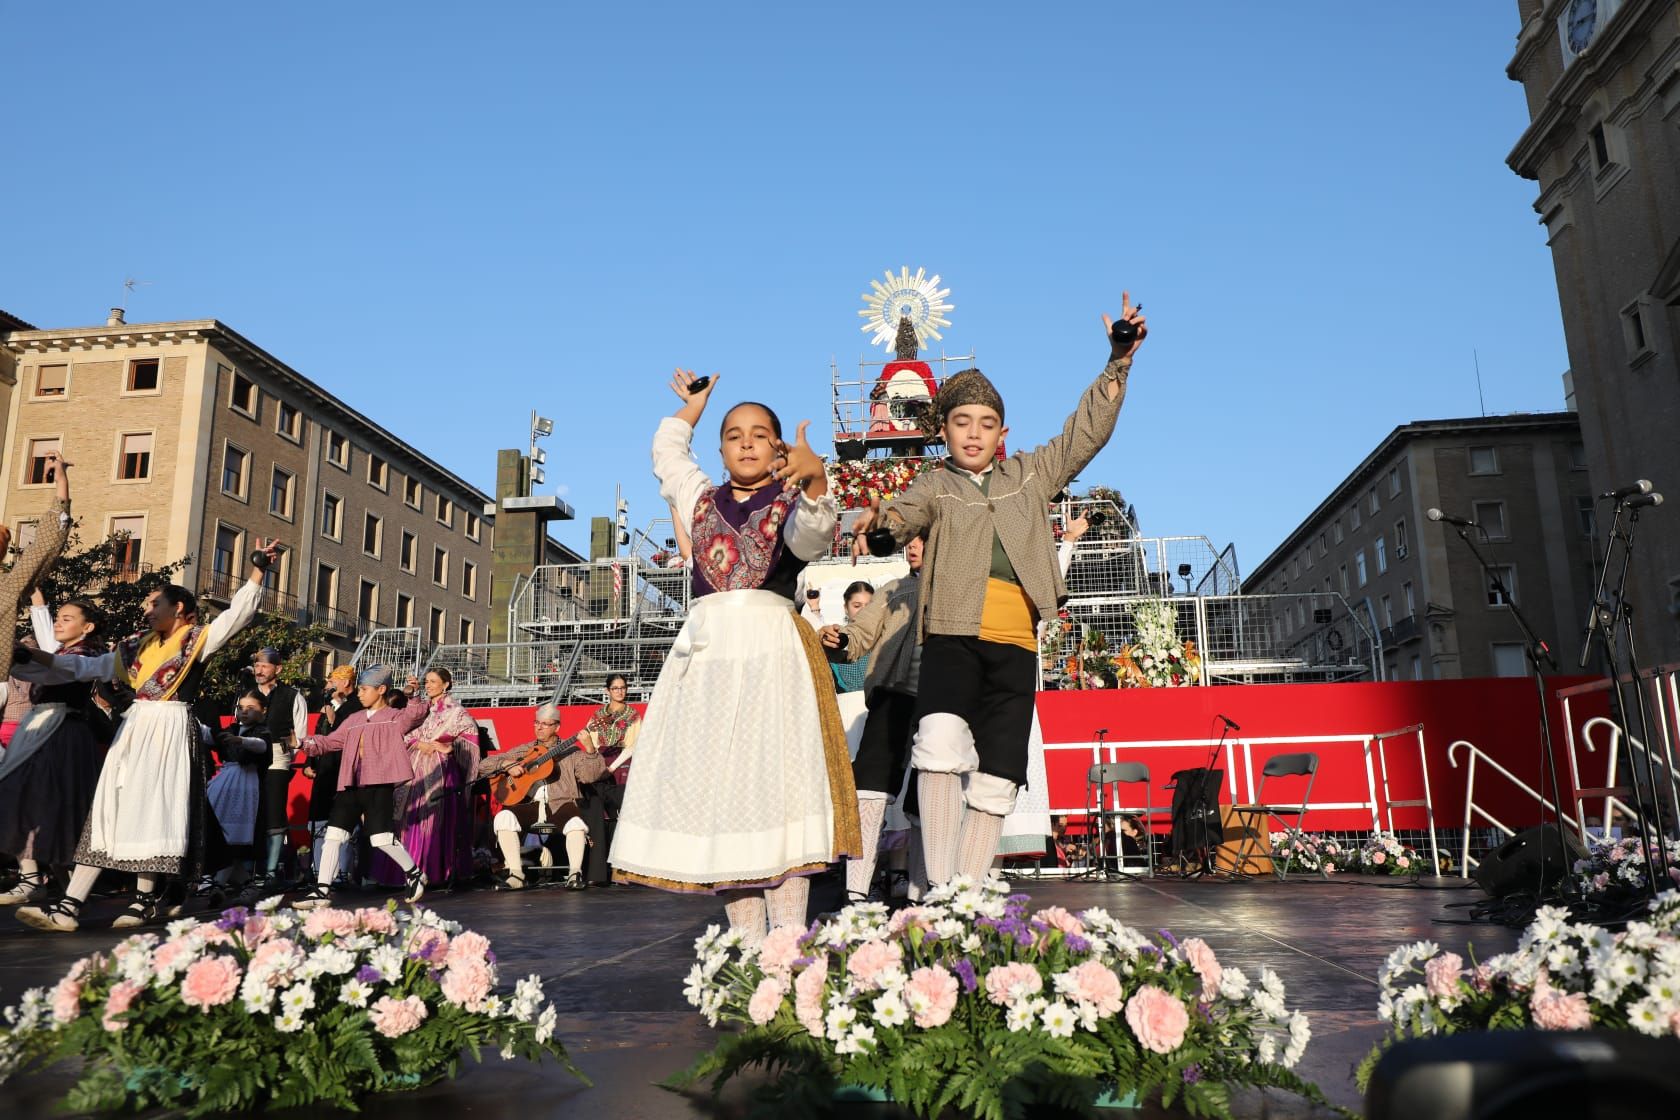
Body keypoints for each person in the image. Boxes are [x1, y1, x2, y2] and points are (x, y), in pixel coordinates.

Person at [852, 295, 1147, 888]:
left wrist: (1118, 361)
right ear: (944, 430)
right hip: (952, 639)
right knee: (936, 744)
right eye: (962, 422)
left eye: (986, 424)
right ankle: (938, 888)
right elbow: (902, 513)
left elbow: (1084, 434)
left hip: (1015, 642)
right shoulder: (937, 484)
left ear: (1002, 432)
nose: (974, 433)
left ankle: (965, 889)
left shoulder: (1030, 475)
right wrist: (879, 522)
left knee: (998, 775)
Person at [610, 370, 860, 942]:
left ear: (779, 445)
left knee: (782, 792)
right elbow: (667, 452)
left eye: (760, 433)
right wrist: (694, 408)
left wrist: (815, 478)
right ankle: (750, 951)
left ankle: (789, 942)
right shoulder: (701, 497)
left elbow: (812, 536)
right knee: (725, 799)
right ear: (720, 448)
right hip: (710, 663)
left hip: (773, 655)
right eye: (733, 434)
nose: (746, 442)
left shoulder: (792, 502)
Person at [14, 538, 280, 933]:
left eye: (154, 603)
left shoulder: (196, 639)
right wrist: (25, 656)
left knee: (153, 812)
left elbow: (237, 615)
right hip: (136, 727)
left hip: (169, 728)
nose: (146, 608)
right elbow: (80, 669)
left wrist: (258, 570)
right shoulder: (137, 646)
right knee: (110, 808)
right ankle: (69, 907)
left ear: (179, 609)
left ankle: (143, 900)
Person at [821, 538, 925, 902]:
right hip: (892, 698)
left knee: (926, 799)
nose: (913, 547)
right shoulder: (892, 590)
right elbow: (860, 632)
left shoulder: (959, 590)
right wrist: (840, 639)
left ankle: (920, 892)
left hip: (942, 701)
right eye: (909, 541)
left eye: (922, 539)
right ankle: (856, 893)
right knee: (868, 793)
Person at [0, 596, 108, 906]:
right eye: (58, 617)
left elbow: (54, 669)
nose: (59, 622)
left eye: (67, 618)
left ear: (87, 627)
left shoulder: (87, 654)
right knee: (30, 800)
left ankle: (44, 884)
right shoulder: (61, 650)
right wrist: (33, 592)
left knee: (40, 801)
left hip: (61, 731)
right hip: (41, 726)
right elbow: (44, 634)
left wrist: (20, 654)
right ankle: (52, 885)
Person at [292, 666, 429, 909]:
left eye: (365, 689)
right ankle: (323, 890)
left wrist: (413, 695)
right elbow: (332, 741)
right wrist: (302, 743)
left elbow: (416, 715)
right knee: (333, 836)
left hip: (377, 785)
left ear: (382, 689)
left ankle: (414, 873)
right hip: (350, 784)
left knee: (381, 839)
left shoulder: (395, 717)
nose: (360, 694)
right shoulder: (353, 719)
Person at [480, 704, 608, 890]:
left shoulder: (571, 753)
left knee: (576, 823)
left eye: (545, 724)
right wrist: (507, 764)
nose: (539, 727)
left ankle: (574, 874)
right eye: (536, 723)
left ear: (557, 727)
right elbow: (484, 765)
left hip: (560, 805)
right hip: (530, 806)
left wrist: (589, 749)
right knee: (503, 817)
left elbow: (591, 775)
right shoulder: (525, 751)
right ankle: (516, 874)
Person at [377, 668, 479, 889]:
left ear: (446, 684)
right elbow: (403, 731)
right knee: (407, 817)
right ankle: (405, 872)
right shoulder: (422, 708)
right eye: (427, 681)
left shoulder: (457, 711)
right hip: (412, 768)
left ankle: (431, 871)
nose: (429, 685)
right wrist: (416, 743)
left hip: (439, 770)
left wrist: (447, 746)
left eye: (434, 681)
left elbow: (469, 739)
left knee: (432, 819)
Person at [244, 647, 306, 896]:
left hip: (277, 760)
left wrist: (287, 758)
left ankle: (271, 871)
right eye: (257, 665)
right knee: (250, 812)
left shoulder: (292, 696)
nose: (259, 670)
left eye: (264, 666)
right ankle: (248, 871)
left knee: (274, 813)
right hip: (249, 759)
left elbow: (300, 736)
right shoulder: (246, 694)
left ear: (277, 669)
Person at [575, 673, 640, 885]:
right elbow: (589, 744)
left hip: (622, 765)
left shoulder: (633, 715)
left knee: (622, 816)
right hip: (599, 763)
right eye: (615, 688)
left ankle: (623, 871)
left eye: (623, 687)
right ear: (607, 691)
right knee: (597, 814)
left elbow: (632, 746)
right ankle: (597, 872)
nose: (620, 691)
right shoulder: (597, 715)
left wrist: (611, 767)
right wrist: (595, 766)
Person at [204, 689, 273, 884]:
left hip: (247, 788)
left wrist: (241, 740)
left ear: (263, 711)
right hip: (224, 785)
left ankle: (218, 882)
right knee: (219, 830)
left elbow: (260, 745)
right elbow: (210, 735)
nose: (244, 711)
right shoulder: (231, 729)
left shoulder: (263, 732)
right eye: (241, 707)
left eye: (251, 708)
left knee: (235, 836)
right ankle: (239, 883)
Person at [304, 664, 360, 884]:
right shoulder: (327, 706)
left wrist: (333, 718)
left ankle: (341, 871)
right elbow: (319, 734)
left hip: (344, 769)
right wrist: (310, 761)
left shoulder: (355, 706)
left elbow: (347, 736)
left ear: (345, 683)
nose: (328, 686)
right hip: (325, 769)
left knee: (342, 822)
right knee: (319, 821)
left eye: (332, 681)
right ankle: (318, 869)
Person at [828, 581, 875, 694]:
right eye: (857, 606)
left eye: (869, 606)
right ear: (846, 607)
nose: (864, 611)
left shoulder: (887, 640)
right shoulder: (835, 638)